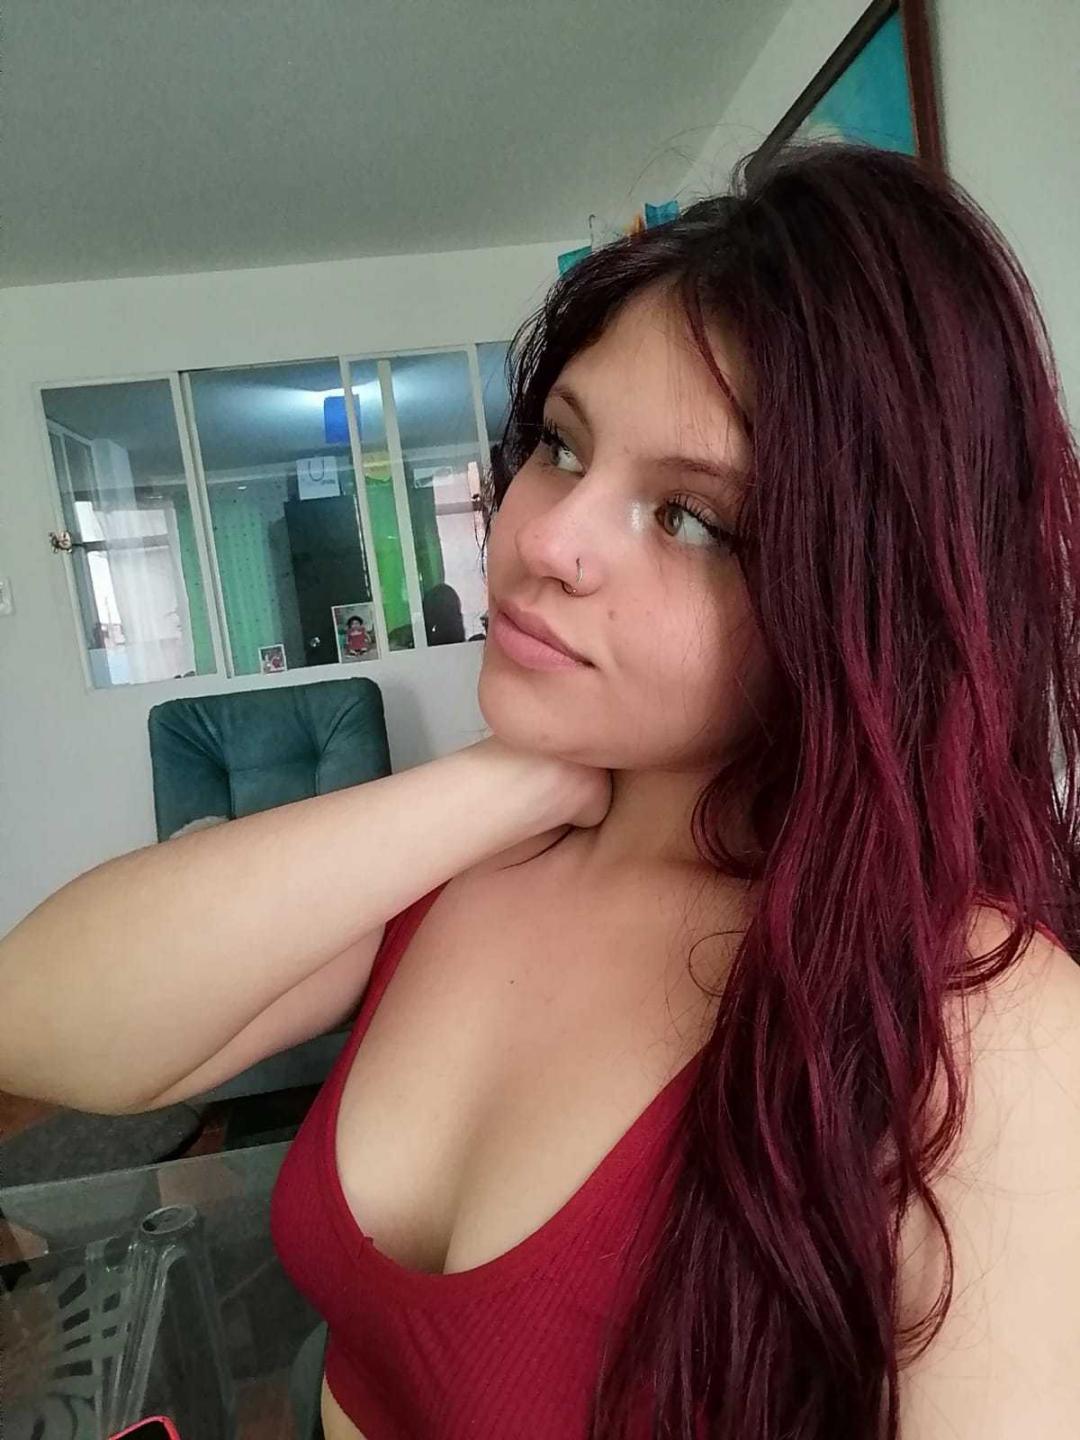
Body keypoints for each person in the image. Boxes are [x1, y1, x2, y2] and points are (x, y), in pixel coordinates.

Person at [2, 141, 1080, 1440]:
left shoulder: (982, 1018)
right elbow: (40, 1022)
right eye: (564, 448)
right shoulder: (451, 868)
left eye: (692, 519)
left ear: (869, 599)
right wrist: (510, 782)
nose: (545, 538)